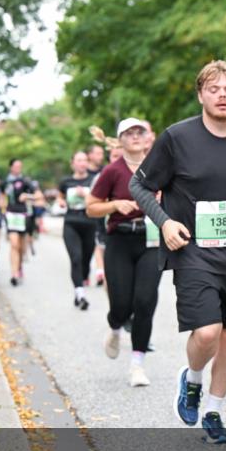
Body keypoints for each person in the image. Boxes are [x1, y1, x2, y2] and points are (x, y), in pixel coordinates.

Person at [130, 60, 226, 444]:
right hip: (192, 249)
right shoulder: (177, 138)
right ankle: (192, 378)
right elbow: (140, 186)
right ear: (200, 95)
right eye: (214, 89)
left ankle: (213, 410)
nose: (222, 95)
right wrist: (164, 222)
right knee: (209, 332)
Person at [88, 118, 163, 388]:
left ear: (147, 137)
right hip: (119, 240)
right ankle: (115, 326)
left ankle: (137, 364)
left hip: (151, 240)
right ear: (120, 140)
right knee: (120, 303)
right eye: (128, 133)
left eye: (139, 131)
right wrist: (114, 205)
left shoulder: (160, 166)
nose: (134, 136)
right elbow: (91, 207)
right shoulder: (112, 171)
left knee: (145, 302)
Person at [60, 151, 97, 310]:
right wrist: (61, 201)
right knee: (76, 258)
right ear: (72, 163)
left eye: (84, 160)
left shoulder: (94, 180)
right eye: (79, 160)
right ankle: (80, 293)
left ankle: (82, 281)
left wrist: (87, 195)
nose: (82, 163)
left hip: (90, 223)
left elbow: (101, 198)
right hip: (71, 223)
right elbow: (60, 196)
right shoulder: (66, 181)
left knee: (86, 261)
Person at [3, 159, 42, 286]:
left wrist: (27, 196)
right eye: (16, 166)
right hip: (10, 215)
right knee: (13, 244)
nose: (18, 168)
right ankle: (14, 273)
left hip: (22, 215)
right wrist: (1, 205)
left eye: (20, 166)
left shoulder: (25, 181)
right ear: (10, 167)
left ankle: (19, 266)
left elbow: (38, 195)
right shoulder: (5, 182)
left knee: (20, 246)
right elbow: (1, 196)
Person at [87, 143, 108, 287]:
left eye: (102, 153)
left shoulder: (105, 171)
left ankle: (101, 270)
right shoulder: (84, 172)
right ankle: (98, 269)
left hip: (101, 213)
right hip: (85, 214)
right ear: (90, 155)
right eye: (98, 153)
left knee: (100, 242)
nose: (100, 156)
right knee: (94, 244)